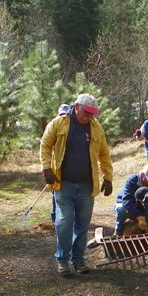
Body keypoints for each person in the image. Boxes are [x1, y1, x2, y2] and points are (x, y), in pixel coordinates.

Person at [40, 93, 113, 276]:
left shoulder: (96, 128)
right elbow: (45, 145)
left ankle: (78, 259)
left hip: (87, 186)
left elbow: (104, 153)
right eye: (86, 112)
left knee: (82, 224)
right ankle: (62, 259)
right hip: (63, 184)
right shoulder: (59, 123)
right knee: (65, 221)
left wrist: (108, 177)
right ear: (76, 106)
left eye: (92, 113)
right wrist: (46, 169)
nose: (89, 116)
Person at [114, 163, 148, 236]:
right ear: (143, 175)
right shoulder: (131, 181)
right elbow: (127, 202)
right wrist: (139, 216)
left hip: (143, 206)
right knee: (121, 210)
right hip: (126, 202)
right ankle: (118, 232)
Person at [50, 103, 72, 223]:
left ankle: (65, 218)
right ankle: (54, 217)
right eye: (61, 114)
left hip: (68, 171)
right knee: (55, 194)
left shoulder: (71, 128)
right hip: (56, 168)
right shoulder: (55, 125)